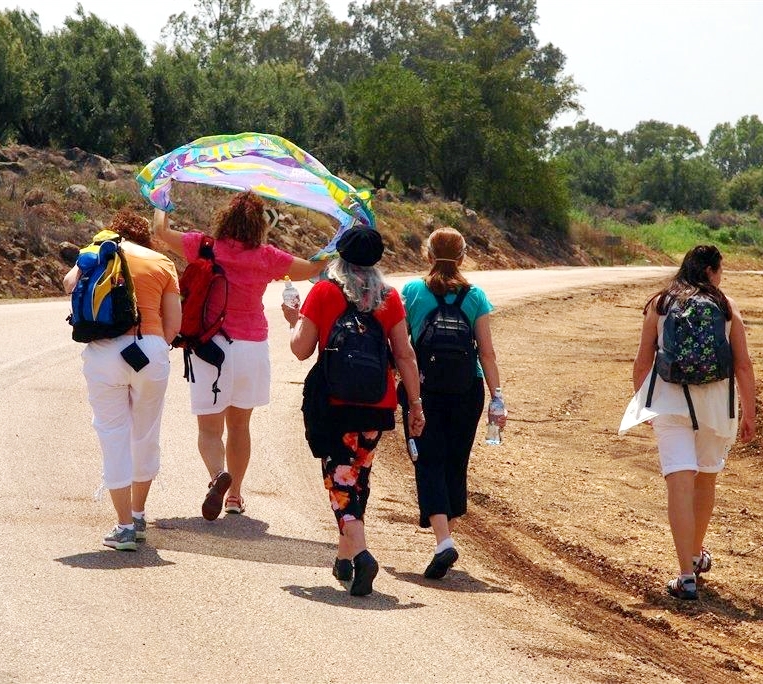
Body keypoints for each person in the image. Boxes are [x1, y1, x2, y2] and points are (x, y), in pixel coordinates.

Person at [152, 192, 326, 520]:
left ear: (224, 219)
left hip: (209, 348)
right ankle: (234, 496)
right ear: (259, 226)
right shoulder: (267, 257)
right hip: (251, 349)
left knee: (209, 428)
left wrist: (162, 203)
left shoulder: (203, 246)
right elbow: (315, 268)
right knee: (240, 425)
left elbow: (161, 233)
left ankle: (218, 475)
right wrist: (333, 244)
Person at [283, 227, 425, 596]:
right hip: (376, 404)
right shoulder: (390, 298)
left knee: (341, 482)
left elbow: (301, 349)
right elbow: (405, 354)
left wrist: (295, 320)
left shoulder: (325, 292)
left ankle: (361, 555)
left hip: (334, 404)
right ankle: (344, 560)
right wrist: (415, 403)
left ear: (339, 257)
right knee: (357, 476)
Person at [620, 245, 756, 600]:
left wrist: (644, 406)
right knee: (705, 478)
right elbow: (743, 364)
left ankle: (686, 576)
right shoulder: (725, 306)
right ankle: (697, 554)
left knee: (679, 483)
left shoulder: (660, 304)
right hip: (716, 406)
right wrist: (750, 414)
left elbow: (641, 363)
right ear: (711, 270)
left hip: (670, 401)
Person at [63, 209, 182, 551]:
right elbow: (174, 325)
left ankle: (124, 526)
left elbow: (69, 285)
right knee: (145, 433)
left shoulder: (99, 249)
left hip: (103, 352)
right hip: (150, 348)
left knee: (113, 434)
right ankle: (140, 514)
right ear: (146, 236)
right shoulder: (162, 263)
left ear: (113, 232)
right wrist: (157, 344)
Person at [399, 227, 505, 579]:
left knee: (428, 460)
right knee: (455, 462)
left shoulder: (413, 291)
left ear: (427, 255)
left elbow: (400, 343)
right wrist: (497, 397)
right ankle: (445, 541)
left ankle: (444, 542)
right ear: (462, 257)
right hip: (467, 389)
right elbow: (486, 353)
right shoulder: (475, 296)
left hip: (424, 389)